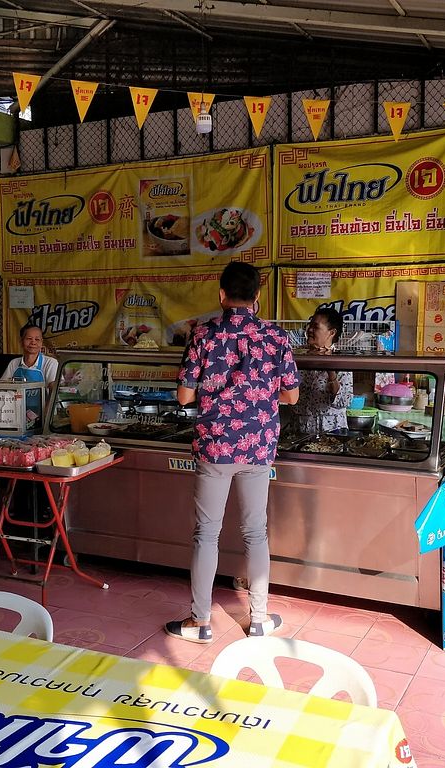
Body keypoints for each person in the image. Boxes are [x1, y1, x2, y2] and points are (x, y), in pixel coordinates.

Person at [164, 262, 299, 644]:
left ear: (221, 295)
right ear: (257, 297)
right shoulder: (275, 336)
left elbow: (184, 396)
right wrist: (262, 391)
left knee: (206, 534)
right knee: (256, 532)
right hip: (258, 445)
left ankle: (200, 622)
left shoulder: (203, 334)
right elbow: (292, 396)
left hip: (215, 446)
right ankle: (259, 619)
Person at [293, 308, 354, 434]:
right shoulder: (298, 355)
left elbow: (344, 401)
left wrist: (330, 370)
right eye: (310, 325)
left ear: (332, 332)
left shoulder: (341, 359)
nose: (310, 330)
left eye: (315, 327)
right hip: (301, 428)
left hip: (332, 430)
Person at [1, 322, 59, 387]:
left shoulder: (50, 363)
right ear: (21, 341)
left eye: (37, 339)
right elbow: (3, 385)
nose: (33, 342)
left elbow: (55, 387)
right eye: (29, 338)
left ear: (41, 342)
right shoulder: (13, 363)